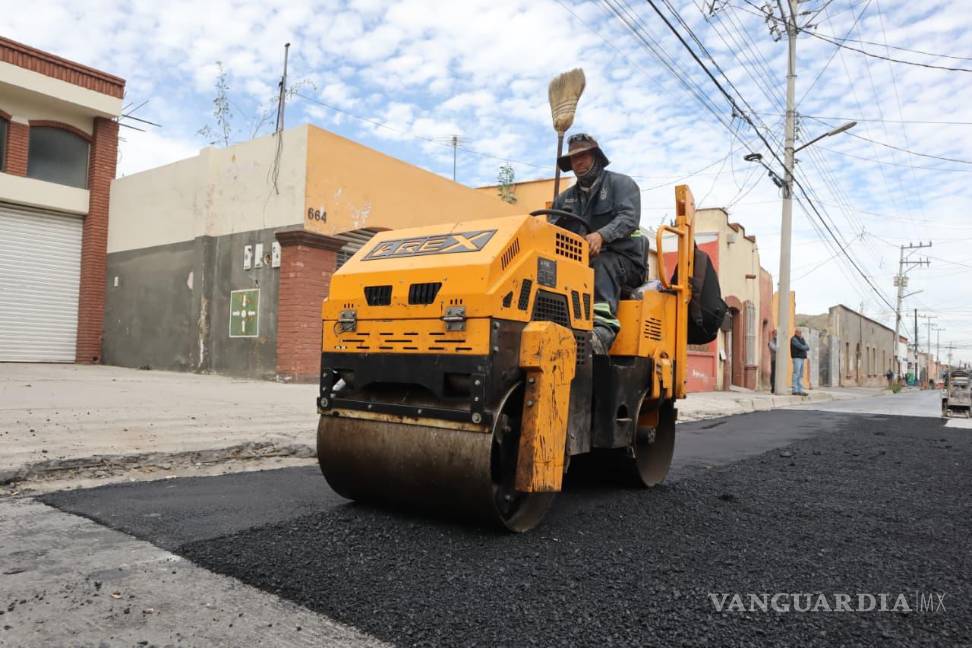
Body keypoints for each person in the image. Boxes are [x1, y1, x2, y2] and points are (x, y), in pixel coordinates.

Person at [552, 133, 644, 353]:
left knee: (602, 263)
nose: (578, 162)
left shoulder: (621, 184)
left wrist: (601, 235)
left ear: (596, 158)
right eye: (574, 158)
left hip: (625, 261)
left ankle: (601, 331)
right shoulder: (563, 200)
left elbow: (629, 218)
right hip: (581, 263)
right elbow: (552, 231)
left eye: (583, 156)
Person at [790, 329, 810, 396]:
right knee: (796, 373)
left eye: (801, 332)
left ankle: (800, 390)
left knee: (801, 375)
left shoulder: (802, 339)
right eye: (799, 332)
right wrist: (804, 347)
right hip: (797, 358)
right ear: (796, 332)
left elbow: (807, 347)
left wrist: (804, 346)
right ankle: (795, 390)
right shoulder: (794, 339)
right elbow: (800, 347)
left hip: (802, 358)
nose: (800, 333)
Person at [768, 329, 778, 394]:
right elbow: (776, 349)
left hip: (780, 361)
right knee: (773, 374)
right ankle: (773, 387)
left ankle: (777, 386)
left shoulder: (779, 341)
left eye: (777, 334)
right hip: (774, 360)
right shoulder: (770, 342)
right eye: (775, 334)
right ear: (773, 334)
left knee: (778, 375)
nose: (776, 335)